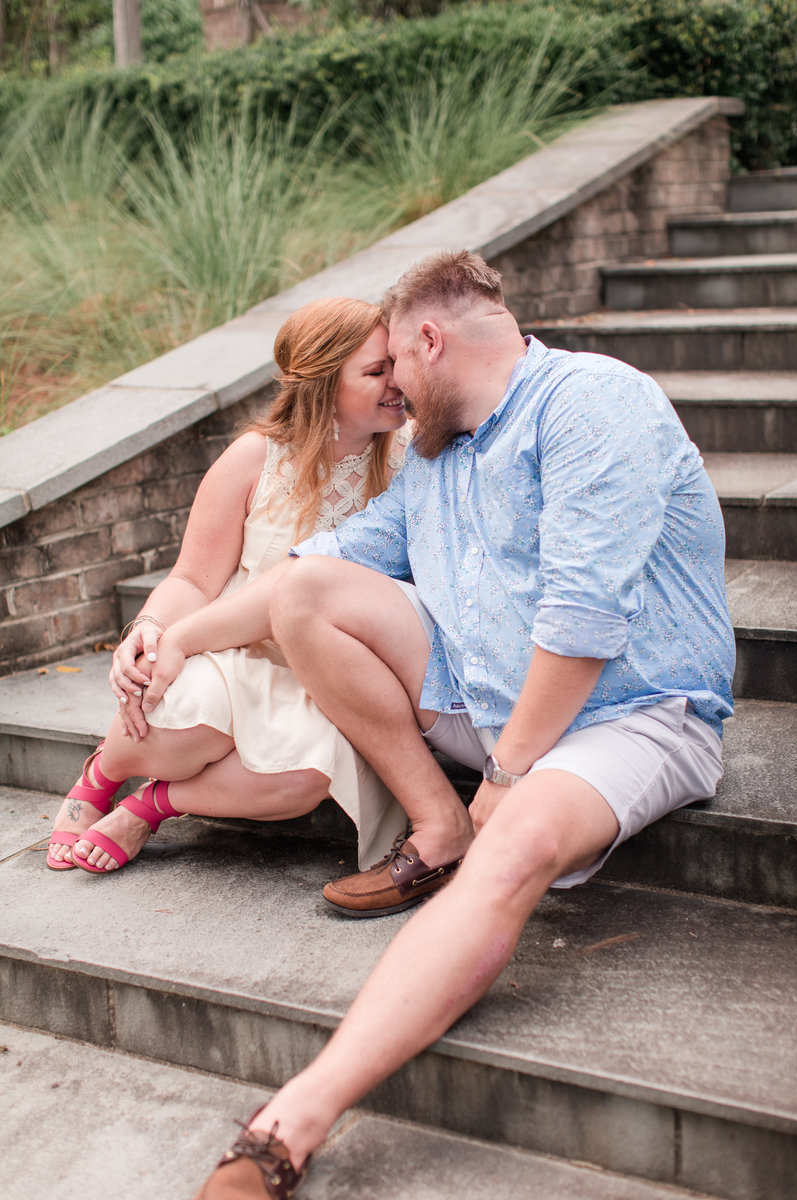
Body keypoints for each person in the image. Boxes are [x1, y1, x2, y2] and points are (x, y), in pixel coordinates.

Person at [142, 251, 735, 1199]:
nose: (395, 399)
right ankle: (439, 820)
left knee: (520, 841)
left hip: (632, 716)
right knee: (306, 593)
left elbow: (584, 620)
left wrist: (507, 768)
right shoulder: (435, 457)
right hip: (487, 702)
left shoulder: (589, 401)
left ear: (430, 340)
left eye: (397, 371)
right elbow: (312, 565)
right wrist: (172, 638)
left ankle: (282, 1131)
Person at [46, 296, 418, 877]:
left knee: (305, 776)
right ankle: (102, 774)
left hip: (330, 672)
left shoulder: (411, 459)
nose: (399, 381)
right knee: (178, 717)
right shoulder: (256, 458)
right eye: (377, 371)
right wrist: (146, 630)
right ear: (322, 384)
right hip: (230, 647)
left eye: (396, 363)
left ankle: (152, 804)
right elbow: (194, 577)